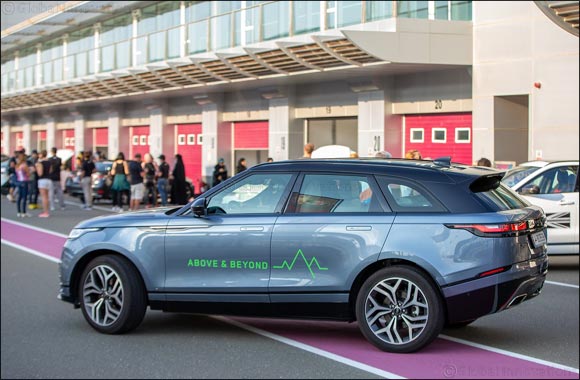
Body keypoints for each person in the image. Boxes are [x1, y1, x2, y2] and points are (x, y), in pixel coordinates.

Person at [35, 150, 53, 218]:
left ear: (41, 155)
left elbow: (40, 173)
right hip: (49, 180)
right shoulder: (49, 162)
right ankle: (47, 211)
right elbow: (51, 171)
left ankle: (45, 212)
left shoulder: (40, 163)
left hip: (42, 180)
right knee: (47, 197)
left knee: (44, 197)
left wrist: (37, 168)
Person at [15, 151, 31, 217]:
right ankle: (24, 212)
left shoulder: (17, 166)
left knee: (19, 197)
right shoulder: (24, 165)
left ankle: (19, 212)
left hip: (19, 181)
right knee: (24, 197)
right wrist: (30, 171)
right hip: (25, 181)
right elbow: (28, 174)